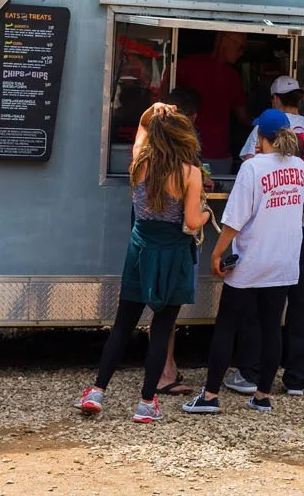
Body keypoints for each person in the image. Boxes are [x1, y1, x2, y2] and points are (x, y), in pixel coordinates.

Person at [75, 103, 210, 422]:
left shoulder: (139, 165)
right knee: (161, 329)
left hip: (139, 252)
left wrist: (149, 112)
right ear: (183, 139)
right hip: (173, 256)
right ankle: (146, 403)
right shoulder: (190, 174)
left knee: (122, 325)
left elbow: (141, 129)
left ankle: (97, 391)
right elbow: (191, 221)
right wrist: (206, 213)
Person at [183, 109, 304, 414]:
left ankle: (210, 396)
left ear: (262, 137)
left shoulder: (252, 169)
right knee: (272, 328)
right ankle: (262, 395)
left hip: (251, 260)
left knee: (226, 326)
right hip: (285, 260)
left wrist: (216, 253)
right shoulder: (300, 167)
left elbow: (236, 220)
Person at [220, 76, 304, 397]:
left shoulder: (267, 128)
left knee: (260, 304)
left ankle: (251, 373)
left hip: (274, 229)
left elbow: (250, 167)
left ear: (276, 100)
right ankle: (297, 379)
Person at [150, 87, 206, 397]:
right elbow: (192, 220)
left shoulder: (145, 161)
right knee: (168, 313)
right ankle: (164, 372)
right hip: (175, 246)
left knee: (155, 312)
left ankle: (160, 371)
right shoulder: (188, 168)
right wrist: (207, 217)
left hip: (147, 245)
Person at [174, 32, 250, 177]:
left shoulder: (232, 77)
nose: (241, 53)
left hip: (220, 154)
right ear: (224, 40)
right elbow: (166, 98)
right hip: (187, 150)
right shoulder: (188, 66)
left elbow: (243, 116)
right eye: (240, 47)